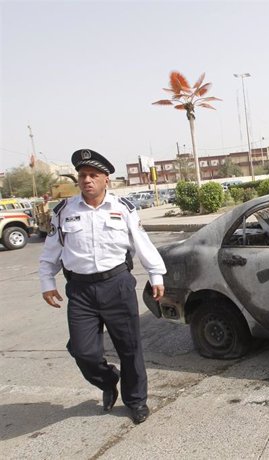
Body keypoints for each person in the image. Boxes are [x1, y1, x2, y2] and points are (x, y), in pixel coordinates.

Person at [39, 149, 166, 424]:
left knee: (130, 349)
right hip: (81, 290)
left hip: (117, 284)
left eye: (93, 175)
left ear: (105, 179)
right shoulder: (64, 212)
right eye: (82, 175)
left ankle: (136, 402)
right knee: (84, 351)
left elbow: (142, 243)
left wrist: (156, 274)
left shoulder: (124, 208)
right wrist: (47, 282)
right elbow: (52, 250)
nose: (87, 180)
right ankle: (108, 381)